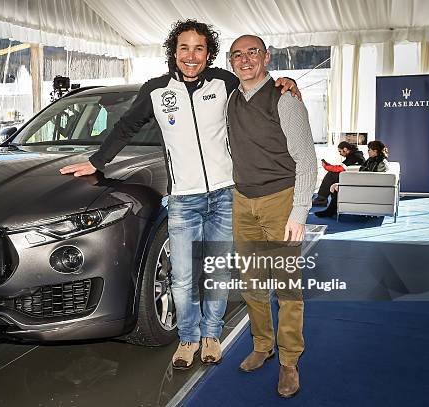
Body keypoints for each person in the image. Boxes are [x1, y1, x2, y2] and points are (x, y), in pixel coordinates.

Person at [59, 20, 299, 369]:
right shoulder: (156, 90)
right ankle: (188, 338)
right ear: (174, 52)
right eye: (184, 48)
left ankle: (211, 335)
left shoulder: (224, 82)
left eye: (199, 48)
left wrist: (283, 81)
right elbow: (126, 126)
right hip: (184, 199)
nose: (191, 55)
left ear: (208, 54)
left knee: (216, 272)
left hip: (224, 194)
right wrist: (97, 162)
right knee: (183, 275)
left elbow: (255, 81)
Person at [226, 35, 317, 398]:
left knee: (287, 288)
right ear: (230, 62)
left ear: (266, 57)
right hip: (242, 200)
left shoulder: (285, 98)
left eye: (252, 52)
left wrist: (299, 212)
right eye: (237, 55)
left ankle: (290, 360)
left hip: (281, 202)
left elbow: (307, 161)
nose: (245, 59)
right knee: (251, 284)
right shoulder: (231, 98)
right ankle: (262, 345)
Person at [315, 140, 389, 218]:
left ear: (375, 151)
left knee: (331, 176)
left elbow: (370, 177)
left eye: (369, 150)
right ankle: (326, 205)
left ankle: (324, 203)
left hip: (363, 184)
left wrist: (326, 167)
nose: (368, 152)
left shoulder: (374, 161)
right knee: (333, 177)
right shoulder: (373, 160)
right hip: (361, 180)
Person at [312, 141, 365, 206]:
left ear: (345, 149)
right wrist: (329, 165)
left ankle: (321, 199)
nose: (340, 154)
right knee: (332, 173)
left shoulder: (354, 157)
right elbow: (342, 167)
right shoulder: (355, 155)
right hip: (353, 177)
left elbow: (340, 169)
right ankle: (321, 199)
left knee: (331, 175)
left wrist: (326, 167)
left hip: (353, 179)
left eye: (340, 151)